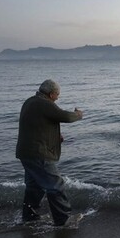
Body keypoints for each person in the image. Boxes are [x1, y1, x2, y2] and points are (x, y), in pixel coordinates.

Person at [16, 79, 83, 226]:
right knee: (56, 184)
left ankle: (30, 217)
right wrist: (78, 114)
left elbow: (37, 125)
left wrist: (54, 136)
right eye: (57, 95)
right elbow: (64, 116)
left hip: (26, 152)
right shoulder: (44, 103)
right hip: (38, 154)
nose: (58, 97)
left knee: (34, 187)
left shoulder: (30, 101)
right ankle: (63, 220)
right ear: (51, 94)